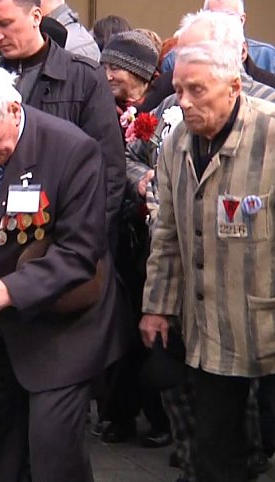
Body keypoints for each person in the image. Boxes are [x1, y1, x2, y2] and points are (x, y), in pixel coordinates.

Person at [0, 64, 125, 481]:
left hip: (60, 326)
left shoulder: (71, 150)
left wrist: (9, 290)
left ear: (13, 110)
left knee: (54, 454)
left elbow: (81, 250)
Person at [126, 10, 275, 482]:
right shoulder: (176, 144)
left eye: (198, 90)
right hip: (210, 328)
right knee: (216, 452)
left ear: (233, 87)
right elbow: (168, 235)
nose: (184, 101)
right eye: (179, 89)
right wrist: (156, 306)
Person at [0, 0, 126, 253]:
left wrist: (87, 246)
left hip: (65, 241)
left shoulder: (83, 77)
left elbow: (110, 170)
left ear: (36, 16)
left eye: (5, 24)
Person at [95, 30, 172, 448]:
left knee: (151, 325)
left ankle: (160, 416)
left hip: (150, 237)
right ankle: (118, 413)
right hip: (118, 235)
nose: (107, 75)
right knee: (120, 327)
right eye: (104, 66)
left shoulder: (162, 113)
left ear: (141, 73)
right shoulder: (103, 110)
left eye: (116, 68)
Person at [160, 0, 275, 78]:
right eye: (213, 16)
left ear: (241, 20)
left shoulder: (270, 58)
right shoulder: (175, 59)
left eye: (228, 16)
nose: (220, 23)